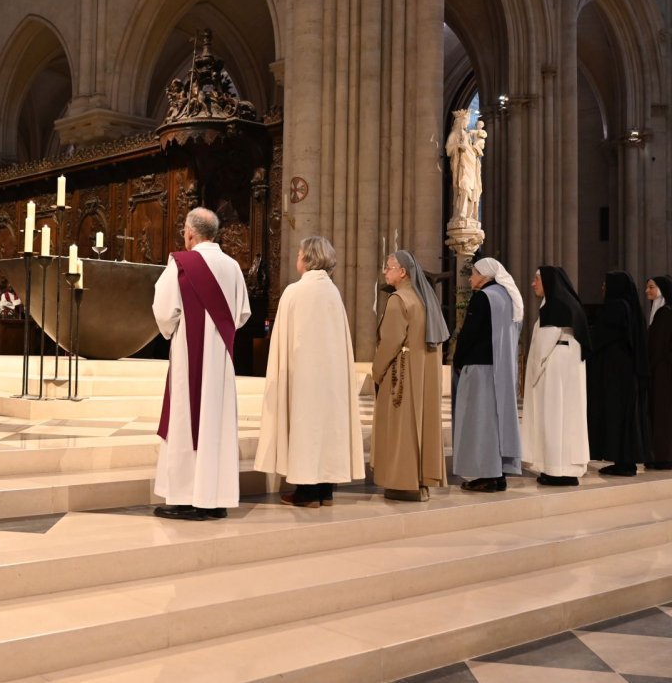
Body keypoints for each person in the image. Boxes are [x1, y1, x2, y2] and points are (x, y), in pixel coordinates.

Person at [152, 207, 251, 521]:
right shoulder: (233, 266)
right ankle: (215, 498)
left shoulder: (181, 263)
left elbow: (164, 311)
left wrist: (177, 331)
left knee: (187, 421)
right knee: (215, 424)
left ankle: (187, 497)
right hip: (220, 358)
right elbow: (242, 314)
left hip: (189, 356)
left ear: (189, 233)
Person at [255, 236, 363, 508]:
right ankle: (325, 491)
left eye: (300, 253)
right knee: (327, 429)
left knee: (306, 428)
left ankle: (306, 492)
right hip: (331, 380)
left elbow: (282, 341)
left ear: (307, 258)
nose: (297, 258)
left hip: (303, 379)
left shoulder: (295, 292)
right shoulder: (333, 293)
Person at [371, 250, 449, 502]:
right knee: (420, 428)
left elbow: (390, 342)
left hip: (400, 377)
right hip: (422, 376)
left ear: (403, 271)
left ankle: (403, 483)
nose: (385, 271)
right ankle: (421, 482)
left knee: (401, 430)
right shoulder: (424, 300)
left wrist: (377, 371)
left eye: (389, 267)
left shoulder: (398, 300)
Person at [451, 257, 524, 492]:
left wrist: (457, 359)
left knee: (479, 423)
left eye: (473, 273)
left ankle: (487, 475)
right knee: (496, 422)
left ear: (484, 275)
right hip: (501, 370)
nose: (471, 278)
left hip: (480, 369)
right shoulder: (509, 297)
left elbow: (469, 334)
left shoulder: (484, 297)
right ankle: (499, 473)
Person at [522, 266, 591, 486]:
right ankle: (564, 468)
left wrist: (530, 374)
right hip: (567, 365)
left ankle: (556, 469)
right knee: (567, 417)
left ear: (549, 283)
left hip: (555, 367)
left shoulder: (555, 306)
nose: (533, 284)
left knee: (554, 416)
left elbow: (543, 344)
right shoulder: (569, 303)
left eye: (537, 280)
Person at [588, 271, 650, 476]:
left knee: (616, 416)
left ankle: (623, 462)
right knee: (625, 417)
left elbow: (601, 337)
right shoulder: (631, 307)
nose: (603, 288)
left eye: (606, 284)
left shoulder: (615, 307)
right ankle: (626, 460)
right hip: (626, 371)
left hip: (616, 373)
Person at [646, 276, 672, 469]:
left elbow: (658, 346)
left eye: (651, 287)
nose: (647, 291)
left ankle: (663, 457)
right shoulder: (662, 312)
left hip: (662, 372)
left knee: (662, 414)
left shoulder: (664, 314)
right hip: (661, 370)